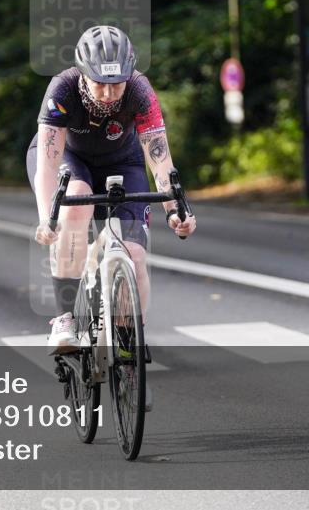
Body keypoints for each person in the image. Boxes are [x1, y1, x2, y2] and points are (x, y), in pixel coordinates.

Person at [28, 26, 197, 368]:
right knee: (76, 201)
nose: (107, 93)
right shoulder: (62, 88)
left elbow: (159, 158)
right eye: (99, 83)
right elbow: (47, 164)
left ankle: (127, 338)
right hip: (68, 159)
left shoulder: (139, 90)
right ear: (83, 74)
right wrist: (48, 218)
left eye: (116, 83)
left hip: (123, 159)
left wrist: (176, 209)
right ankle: (65, 319)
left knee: (134, 254)